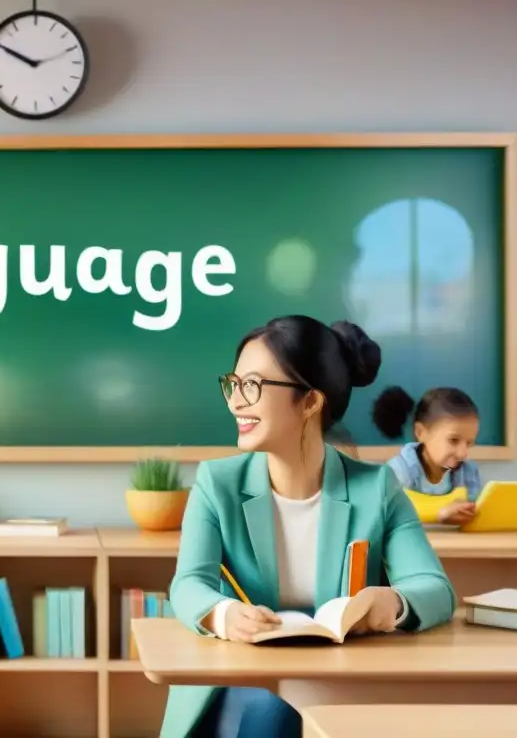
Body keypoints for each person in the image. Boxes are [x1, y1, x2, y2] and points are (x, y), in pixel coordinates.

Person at [164, 315, 456, 738]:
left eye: (253, 386)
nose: (235, 402)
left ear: (310, 402)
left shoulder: (377, 488)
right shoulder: (217, 483)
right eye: (234, 384)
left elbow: (435, 589)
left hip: (342, 681)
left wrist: (390, 604)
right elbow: (188, 584)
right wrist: (224, 615)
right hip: (246, 683)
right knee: (275, 708)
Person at [372, 385, 483, 526]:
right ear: (421, 433)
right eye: (453, 440)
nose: (463, 453)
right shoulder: (399, 471)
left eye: (469, 443)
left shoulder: (468, 472)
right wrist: (439, 513)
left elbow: (476, 511)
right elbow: (387, 511)